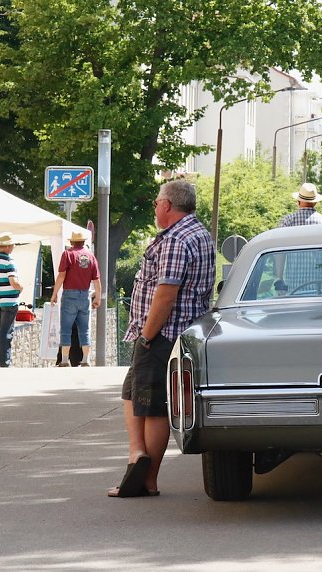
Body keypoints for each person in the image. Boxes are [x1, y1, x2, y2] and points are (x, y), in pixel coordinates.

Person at [108, 179, 215, 498]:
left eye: (157, 202)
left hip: (162, 334)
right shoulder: (199, 233)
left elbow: (165, 294)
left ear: (167, 205)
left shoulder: (176, 239)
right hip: (181, 331)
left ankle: (147, 479)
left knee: (153, 406)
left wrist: (147, 336)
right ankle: (137, 453)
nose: (155, 207)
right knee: (131, 392)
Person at [50, 231, 102, 367]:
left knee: (66, 329)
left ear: (72, 242)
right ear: (84, 242)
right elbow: (96, 279)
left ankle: (64, 360)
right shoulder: (91, 256)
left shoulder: (68, 254)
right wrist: (98, 297)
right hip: (85, 295)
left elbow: (61, 275)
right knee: (84, 329)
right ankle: (85, 359)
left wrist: (55, 293)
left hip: (69, 295)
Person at [274, 183, 322, 294]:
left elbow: (279, 252)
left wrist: (279, 277)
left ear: (298, 201)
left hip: (293, 287)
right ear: (315, 202)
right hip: (318, 288)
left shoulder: (288, 221)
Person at [0, 234, 23, 367]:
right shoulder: (9, 261)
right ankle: (4, 362)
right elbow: (13, 282)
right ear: (7, 246)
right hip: (10, 301)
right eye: (12, 245)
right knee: (6, 332)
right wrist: (21, 287)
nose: (13, 247)